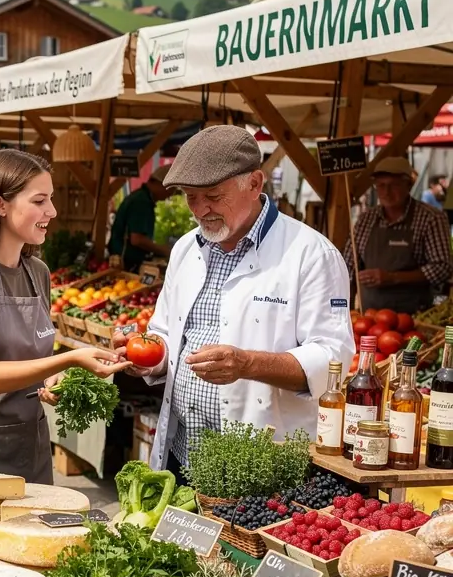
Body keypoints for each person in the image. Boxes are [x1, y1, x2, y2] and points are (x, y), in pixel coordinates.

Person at [117, 126, 355, 475]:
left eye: (213, 195)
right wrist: (147, 356)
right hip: (182, 455)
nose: (200, 210)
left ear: (255, 184)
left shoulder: (311, 254)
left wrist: (246, 364)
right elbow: (168, 333)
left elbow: (333, 359)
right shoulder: (186, 249)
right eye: (190, 196)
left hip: (260, 464)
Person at [0, 149, 122, 512]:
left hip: (30, 445)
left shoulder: (37, 273)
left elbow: (30, 362)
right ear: (0, 204)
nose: (53, 212)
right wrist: (72, 358)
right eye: (40, 201)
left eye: (52, 200)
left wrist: (52, 382)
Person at [342, 157, 452, 313]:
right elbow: (348, 268)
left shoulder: (431, 218)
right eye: (381, 185)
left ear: (409, 185)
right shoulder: (366, 220)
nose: (386, 192)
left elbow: (442, 267)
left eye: (394, 185)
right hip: (371, 317)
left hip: (415, 318)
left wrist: (392, 277)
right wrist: (345, 311)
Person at [108, 164, 173, 271]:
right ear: (159, 184)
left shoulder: (140, 197)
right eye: (170, 190)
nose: (170, 195)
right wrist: (165, 251)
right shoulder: (141, 201)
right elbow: (137, 240)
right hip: (126, 264)